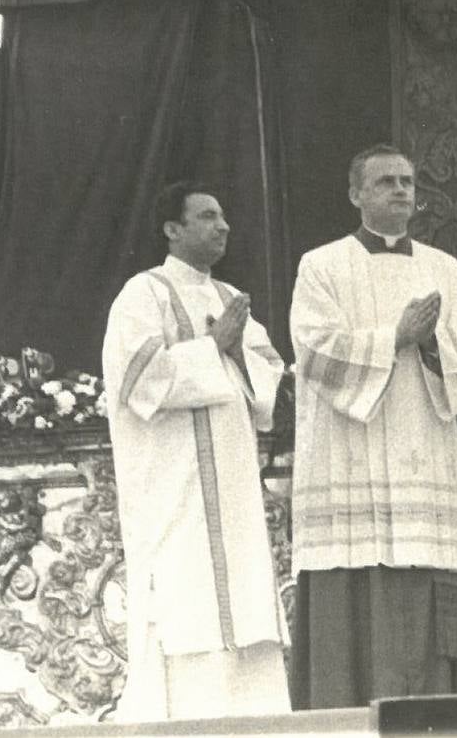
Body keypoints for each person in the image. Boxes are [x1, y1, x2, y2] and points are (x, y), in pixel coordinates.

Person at [288, 144, 457, 709]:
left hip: (422, 444)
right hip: (349, 450)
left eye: (407, 182)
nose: (400, 191)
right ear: (355, 194)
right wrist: (395, 338)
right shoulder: (322, 265)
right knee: (354, 577)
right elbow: (314, 349)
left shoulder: (443, 268)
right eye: (385, 182)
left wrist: (432, 339)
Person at [101, 181, 289, 721]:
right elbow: (136, 383)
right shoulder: (143, 294)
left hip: (231, 482)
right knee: (191, 606)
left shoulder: (230, 299)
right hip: (175, 484)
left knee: (243, 607)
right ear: (172, 229)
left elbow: (266, 372)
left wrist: (231, 351)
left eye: (224, 217)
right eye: (207, 216)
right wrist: (212, 349)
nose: (223, 226)